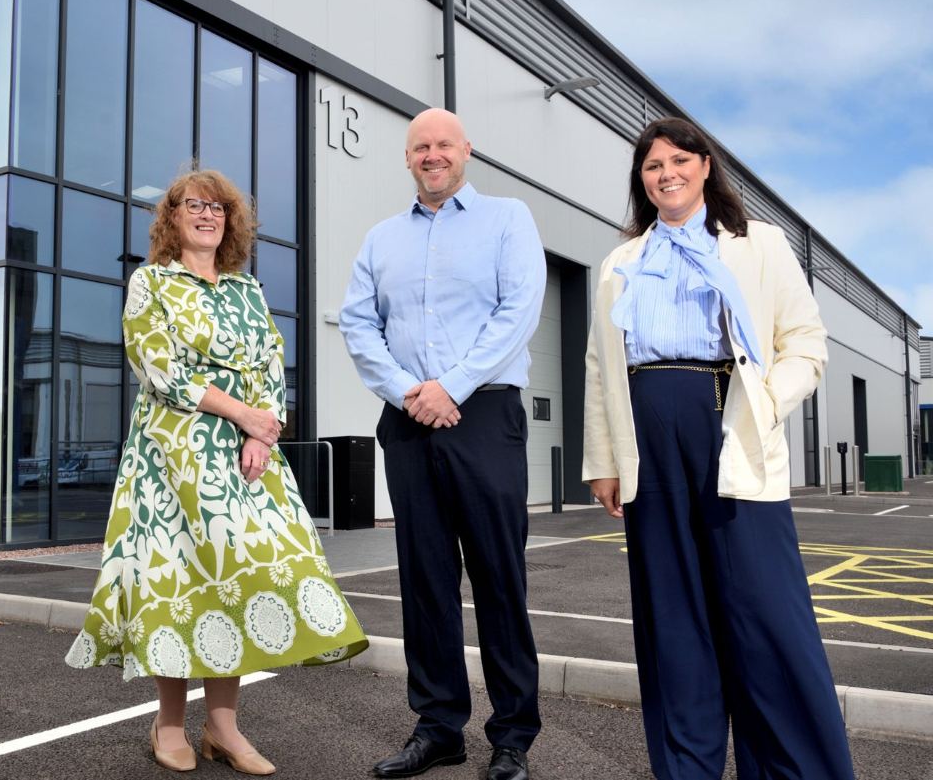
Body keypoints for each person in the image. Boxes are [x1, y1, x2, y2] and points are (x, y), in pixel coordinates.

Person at [66, 169, 368, 775]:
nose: (207, 215)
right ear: (172, 217)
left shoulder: (247, 290)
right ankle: (169, 723)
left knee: (241, 579)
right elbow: (161, 369)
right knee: (177, 583)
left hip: (245, 456)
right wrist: (245, 417)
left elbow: (270, 364)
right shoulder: (150, 281)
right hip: (171, 454)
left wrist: (264, 430)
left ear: (230, 221)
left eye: (218, 208)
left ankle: (224, 727)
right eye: (193, 205)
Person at [582, 117, 855, 779]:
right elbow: (599, 365)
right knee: (673, 620)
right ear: (640, 181)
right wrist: (605, 462)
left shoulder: (758, 244)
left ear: (706, 166)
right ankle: (687, 767)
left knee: (765, 618)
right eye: (653, 165)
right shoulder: (621, 262)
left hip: (731, 427)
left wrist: (764, 399)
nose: (666, 173)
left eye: (679, 159)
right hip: (648, 441)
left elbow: (806, 343)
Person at [340, 108, 546, 780]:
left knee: (497, 577)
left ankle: (512, 735)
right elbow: (357, 323)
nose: (432, 155)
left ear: (466, 152)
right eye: (420, 146)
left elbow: (517, 312)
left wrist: (449, 387)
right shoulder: (380, 239)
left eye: (443, 145)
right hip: (407, 420)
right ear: (407, 158)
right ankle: (438, 727)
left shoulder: (508, 219)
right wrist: (409, 391)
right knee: (425, 579)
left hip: (483, 414)